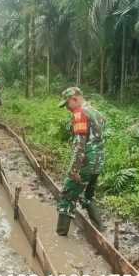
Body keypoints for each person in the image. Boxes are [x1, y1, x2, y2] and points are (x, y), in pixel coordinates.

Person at [56, 87, 106, 235]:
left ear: (75, 99)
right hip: (98, 162)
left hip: (85, 163)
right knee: (88, 196)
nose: (66, 108)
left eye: (67, 104)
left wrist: (74, 170)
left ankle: (60, 235)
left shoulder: (79, 114)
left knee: (67, 196)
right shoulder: (96, 112)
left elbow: (79, 145)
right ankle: (100, 230)